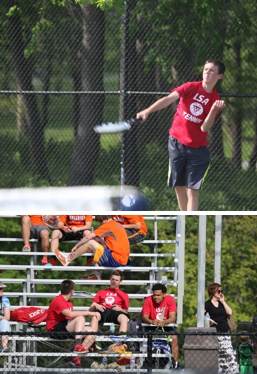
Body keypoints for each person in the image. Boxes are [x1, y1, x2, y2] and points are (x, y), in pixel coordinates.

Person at [135, 60, 226, 211]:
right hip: (176, 143)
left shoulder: (215, 100)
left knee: (192, 190)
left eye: (211, 71)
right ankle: (184, 220)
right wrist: (147, 111)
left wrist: (213, 110)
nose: (207, 73)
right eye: (205, 69)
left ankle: (191, 221)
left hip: (197, 150)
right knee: (179, 186)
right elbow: (167, 100)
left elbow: (204, 127)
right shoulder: (190, 87)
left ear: (220, 76)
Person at [47, 279, 101, 366]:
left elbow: (69, 319)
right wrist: (89, 312)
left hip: (65, 327)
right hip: (54, 329)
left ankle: (77, 357)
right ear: (72, 291)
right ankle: (78, 346)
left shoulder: (68, 302)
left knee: (93, 332)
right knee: (80, 318)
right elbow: (70, 315)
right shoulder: (58, 300)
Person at [58, 215, 130, 269]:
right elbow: (110, 243)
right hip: (123, 260)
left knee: (91, 243)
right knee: (97, 242)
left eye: (100, 222)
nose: (101, 224)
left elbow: (87, 237)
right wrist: (99, 240)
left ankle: (67, 259)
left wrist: (76, 246)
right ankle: (96, 273)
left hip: (115, 259)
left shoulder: (107, 225)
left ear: (102, 219)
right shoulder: (118, 225)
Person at [204, 282, 238, 374]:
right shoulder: (208, 304)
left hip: (225, 332)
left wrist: (223, 301)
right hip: (215, 334)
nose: (220, 293)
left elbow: (230, 312)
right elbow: (198, 316)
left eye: (221, 291)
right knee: (218, 357)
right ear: (213, 292)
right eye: (219, 291)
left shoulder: (221, 303)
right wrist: (208, 320)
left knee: (229, 355)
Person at [141, 283, 179, 367]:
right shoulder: (148, 300)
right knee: (147, 338)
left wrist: (165, 322)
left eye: (158, 295)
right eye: (154, 295)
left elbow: (173, 318)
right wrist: (151, 321)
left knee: (174, 338)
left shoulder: (170, 299)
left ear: (164, 294)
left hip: (166, 327)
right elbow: (144, 317)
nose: (155, 297)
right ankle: (147, 363)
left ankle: (175, 364)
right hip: (151, 327)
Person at [89, 270, 130, 334]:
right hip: (103, 310)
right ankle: (91, 338)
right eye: (113, 279)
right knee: (95, 315)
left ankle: (122, 342)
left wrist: (120, 309)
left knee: (124, 318)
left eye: (116, 280)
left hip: (115, 312)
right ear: (110, 279)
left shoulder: (124, 295)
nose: (114, 282)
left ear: (120, 281)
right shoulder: (101, 292)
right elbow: (90, 309)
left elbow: (125, 311)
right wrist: (96, 305)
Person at [0, 283, 10, 353]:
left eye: (2, 288)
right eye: (0, 289)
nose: (2, 290)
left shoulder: (5, 300)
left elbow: (7, 317)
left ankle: (5, 348)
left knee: (5, 322)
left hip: (1, 324)